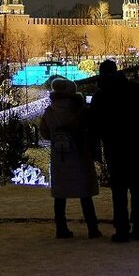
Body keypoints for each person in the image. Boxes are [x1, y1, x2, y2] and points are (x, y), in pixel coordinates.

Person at [88, 59, 139, 242]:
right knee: (138, 189)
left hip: (114, 148)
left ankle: (121, 230)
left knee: (119, 191)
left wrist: (95, 146)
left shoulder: (101, 96)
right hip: (137, 147)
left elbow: (94, 124)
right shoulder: (136, 90)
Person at [39, 77, 101, 239]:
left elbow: (44, 133)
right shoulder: (81, 110)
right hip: (80, 155)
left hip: (60, 157)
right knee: (85, 193)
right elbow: (92, 130)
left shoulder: (49, 112)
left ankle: (61, 228)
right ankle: (92, 228)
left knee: (60, 196)